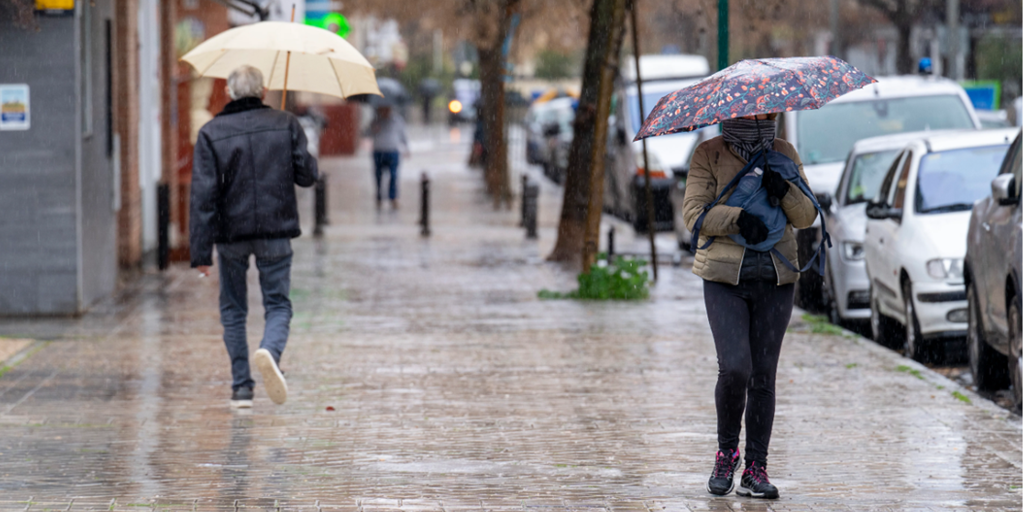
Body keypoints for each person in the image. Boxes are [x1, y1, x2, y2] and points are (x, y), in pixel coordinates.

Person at [681, 113, 817, 499]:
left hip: (776, 278)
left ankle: (756, 468)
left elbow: (807, 216)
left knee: (763, 376)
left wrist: (785, 190)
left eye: (768, 111)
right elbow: (693, 213)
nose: (762, 118)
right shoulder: (709, 153)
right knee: (735, 367)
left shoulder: (784, 152)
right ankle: (727, 453)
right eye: (754, 112)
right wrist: (738, 219)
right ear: (734, 112)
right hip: (725, 279)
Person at [190, 65, 319, 409]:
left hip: (230, 235)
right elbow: (307, 176)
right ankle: (270, 352)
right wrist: (298, 145)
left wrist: (200, 252)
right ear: (262, 92)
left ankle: (241, 388)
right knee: (277, 303)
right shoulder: (285, 123)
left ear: (230, 93)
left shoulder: (210, 133)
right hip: (276, 231)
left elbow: (202, 196)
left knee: (233, 309)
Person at [368, 104, 409, 209]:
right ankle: (379, 197)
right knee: (378, 176)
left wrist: (406, 147)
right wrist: (374, 129)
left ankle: (393, 198)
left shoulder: (397, 120)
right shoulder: (375, 120)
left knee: (394, 175)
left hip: (392, 151)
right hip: (379, 151)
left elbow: (402, 134)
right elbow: (367, 133)